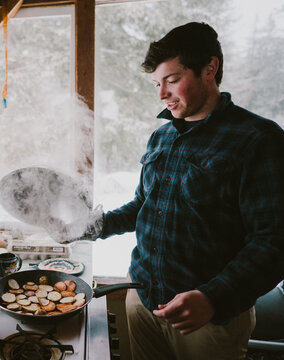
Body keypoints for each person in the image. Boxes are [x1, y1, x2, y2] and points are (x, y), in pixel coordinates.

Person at [50, 22, 284, 359]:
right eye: (157, 84)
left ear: (210, 69)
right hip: (142, 300)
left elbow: (274, 241)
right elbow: (142, 206)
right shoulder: (161, 137)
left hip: (208, 321)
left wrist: (212, 297)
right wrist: (87, 227)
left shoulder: (257, 139)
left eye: (172, 80)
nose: (161, 94)